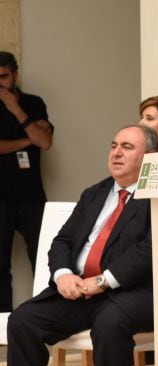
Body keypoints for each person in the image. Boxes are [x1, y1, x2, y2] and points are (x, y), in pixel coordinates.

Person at [7, 124, 157, 366]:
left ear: (149, 156)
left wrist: (102, 281)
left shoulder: (157, 197)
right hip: (79, 290)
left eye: (127, 147)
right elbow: (62, 240)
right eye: (114, 145)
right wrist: (63, 275)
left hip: (128, 292)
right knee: (24, 320)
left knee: (110, 324)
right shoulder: (95, 193)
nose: (116, 153)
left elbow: (149, 250)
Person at [0, 50, 54, 312]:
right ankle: (1, 330)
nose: (0, 83)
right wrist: (28, 138)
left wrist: (15, 109)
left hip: (32, 195)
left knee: (43, 259)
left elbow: (45, 141)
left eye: (3, 76)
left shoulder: (33, 103)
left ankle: (44, 323)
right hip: (0, 197)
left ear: (15, 75)